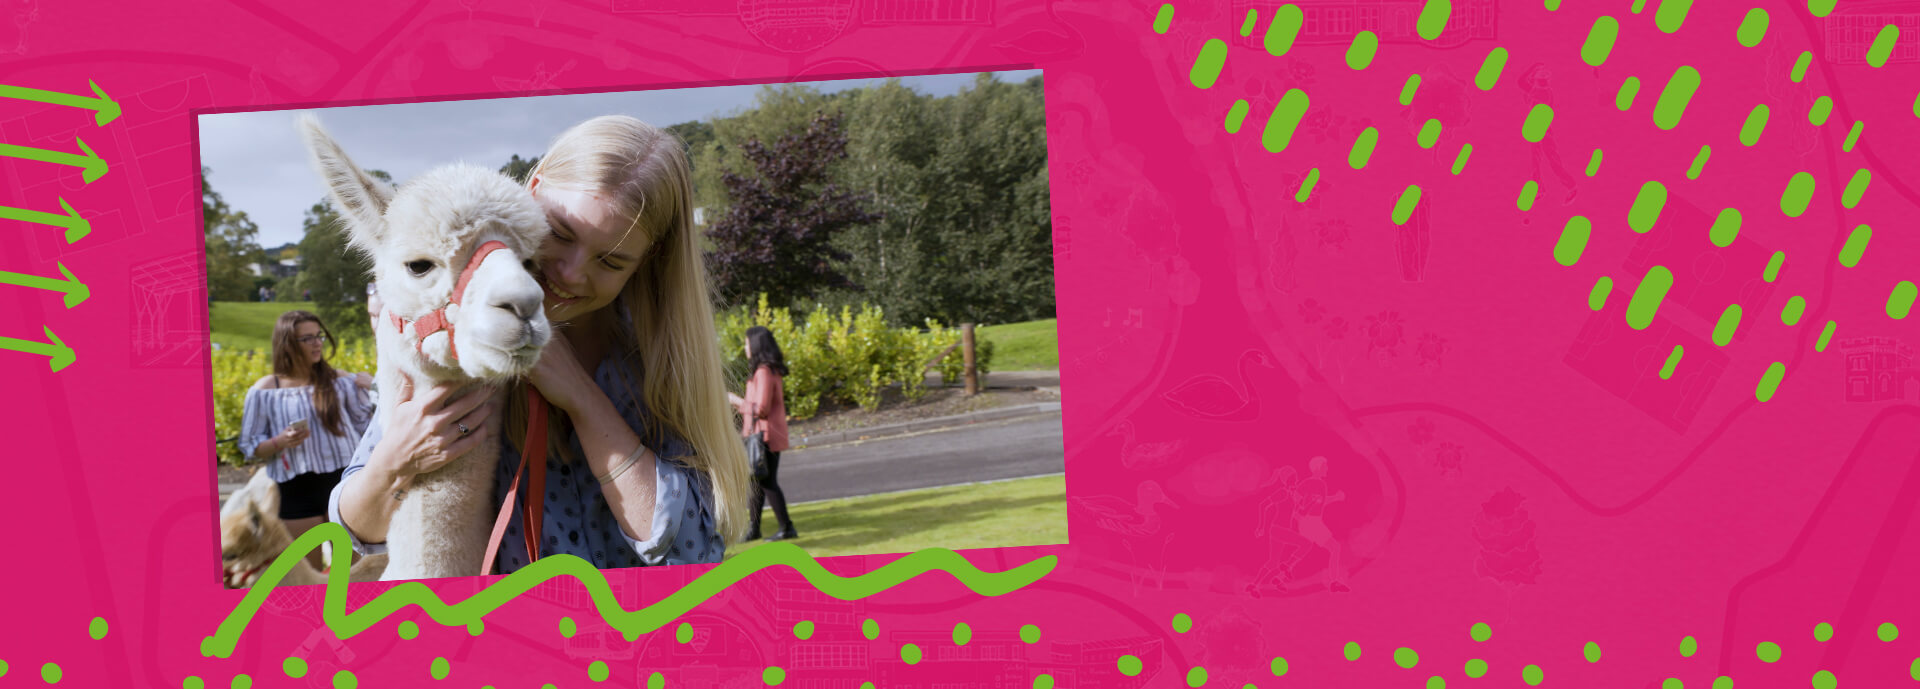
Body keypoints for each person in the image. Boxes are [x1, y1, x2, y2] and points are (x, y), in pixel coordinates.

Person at [329, 115, 752, 572]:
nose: (569, 272)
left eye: (610, 260)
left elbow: (691, 551)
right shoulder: (466, 338)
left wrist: (582, 397)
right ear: (532, 191)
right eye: (560, 234)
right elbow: (350, 542)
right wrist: (393, 463)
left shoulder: (657, 362)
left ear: (648, 261)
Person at [236, 310, 375, 572]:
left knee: (353, 572)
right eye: (307, 338)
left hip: (343, 482)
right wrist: (280, 441)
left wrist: (373, 387)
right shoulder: (266, 390)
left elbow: (368, 429)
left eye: (319, 336)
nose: (317, 343)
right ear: (287, 344)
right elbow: (249, 447)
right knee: (308, 574)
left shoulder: (341, 382)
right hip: (295, 490)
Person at [728, 326, 794, 541]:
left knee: (766, 482)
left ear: (755, 345)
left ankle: (787, 527)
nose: (745, 347)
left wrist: (736, 401)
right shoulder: (763, 370)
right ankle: (754, 530)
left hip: (766, 436)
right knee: (757, 483)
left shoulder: (764, 371)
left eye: (747, 343)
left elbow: (762, 409)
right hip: (760, 435)